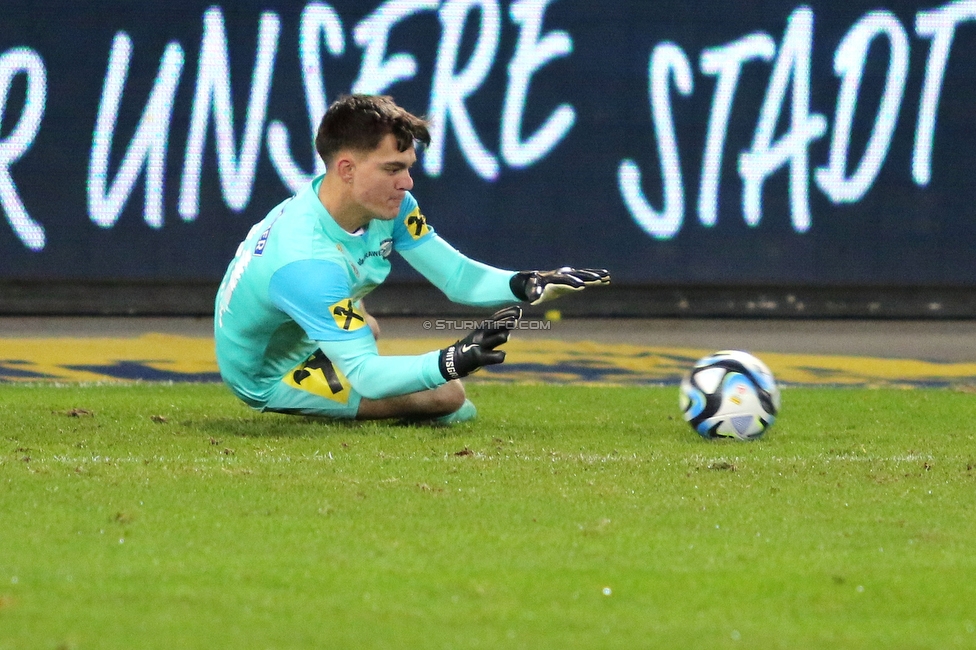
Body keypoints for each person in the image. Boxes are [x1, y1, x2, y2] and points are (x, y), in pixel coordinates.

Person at [214, 94, 610, 424]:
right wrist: (450, 361)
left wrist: (527, 284)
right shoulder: (306, 262)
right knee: (449, 399)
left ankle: (343, 368)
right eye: (393, 169)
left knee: (365, 329)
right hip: (268, 373)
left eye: (407, 168)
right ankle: (302, 395)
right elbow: (367, 377)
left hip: (299, 319)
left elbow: (456, 276)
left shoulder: (382, 205)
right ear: (347, 169)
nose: (407, 182)